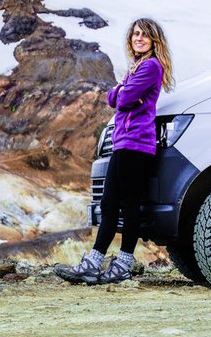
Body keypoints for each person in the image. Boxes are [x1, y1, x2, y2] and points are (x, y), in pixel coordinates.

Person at [57, 17, 174, 284]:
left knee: (126, 206)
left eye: (145, 35)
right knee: (110, 204)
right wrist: (123, 89)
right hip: (125, 143)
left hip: (136, 144)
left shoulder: (151, 67)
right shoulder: (137, 68)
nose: (139, 38)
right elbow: (115, 97)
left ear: (154, 41)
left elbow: (123, 99)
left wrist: (124, 91)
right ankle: (97, 262)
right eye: (135, 34)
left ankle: (119, 264)